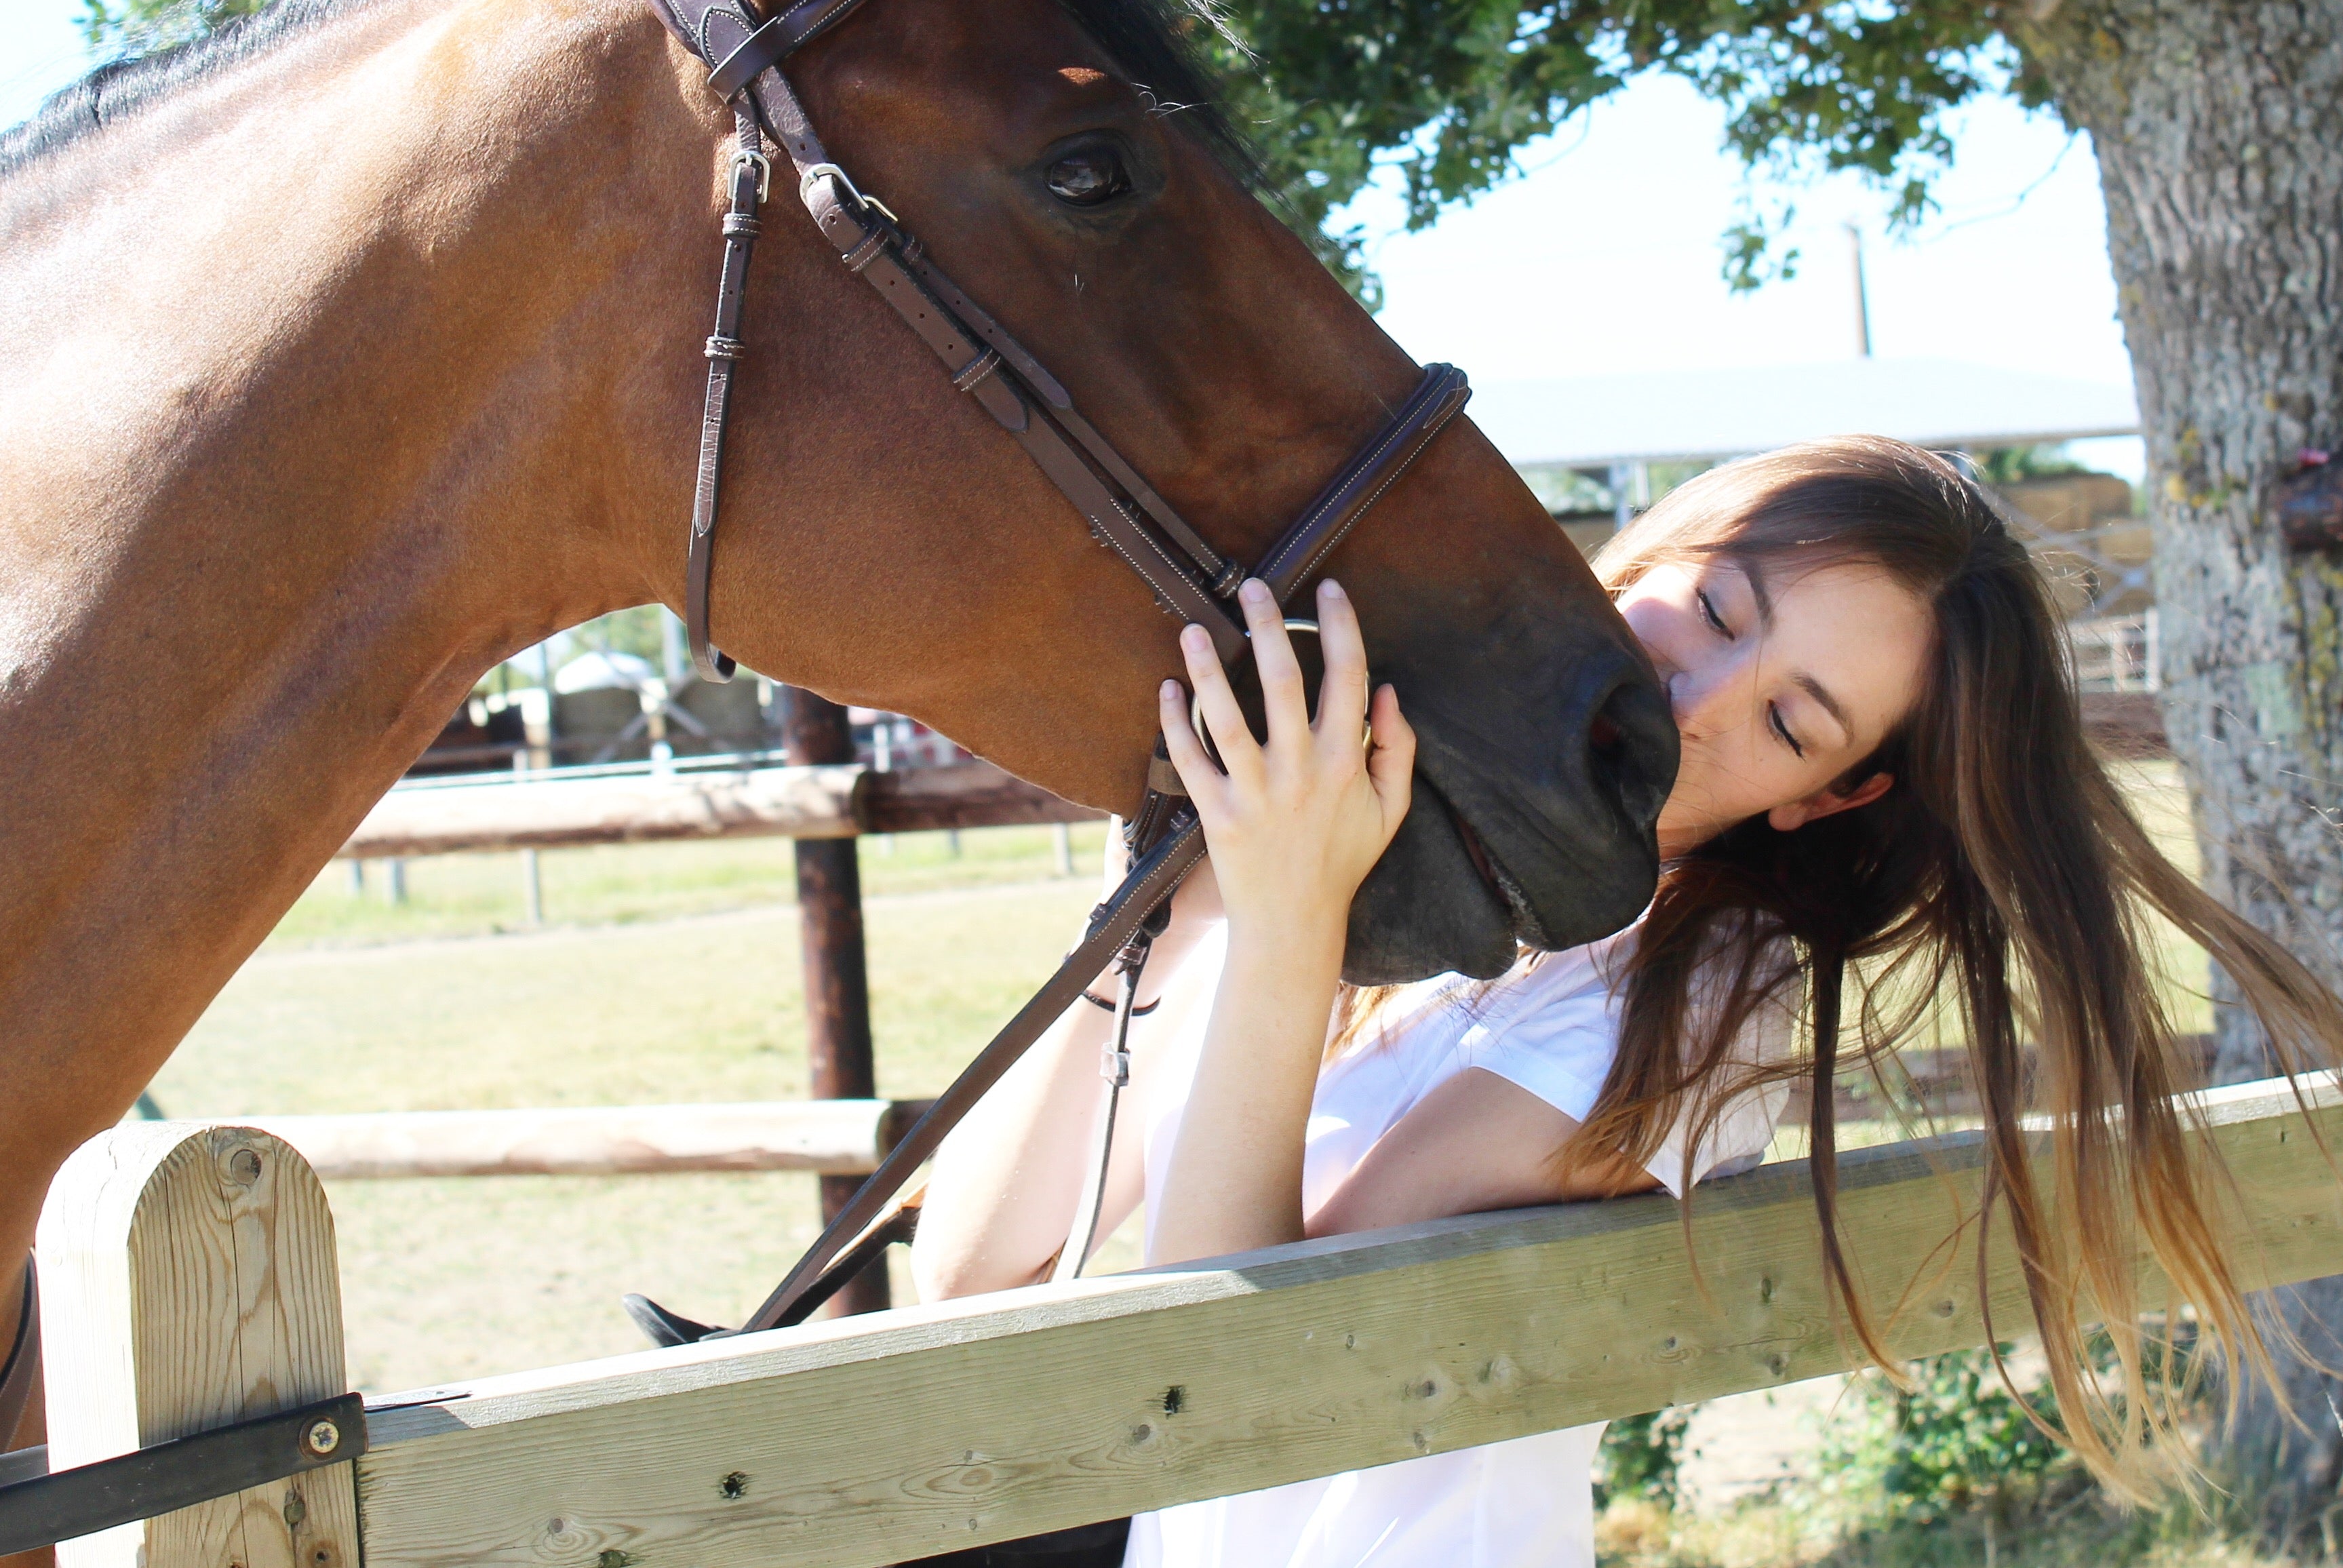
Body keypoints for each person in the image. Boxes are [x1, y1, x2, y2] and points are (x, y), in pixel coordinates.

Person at [915, 437, 2343, 1567]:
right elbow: (974, 1271)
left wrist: (1285, 913)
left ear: (1828, 796)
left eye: (1792, 720)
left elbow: (1243, 1366)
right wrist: (1182, 886)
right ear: (1653, 541)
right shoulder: (1358, 830)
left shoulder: (1704, 1009)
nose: (1700, 696)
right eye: (1717, 606)